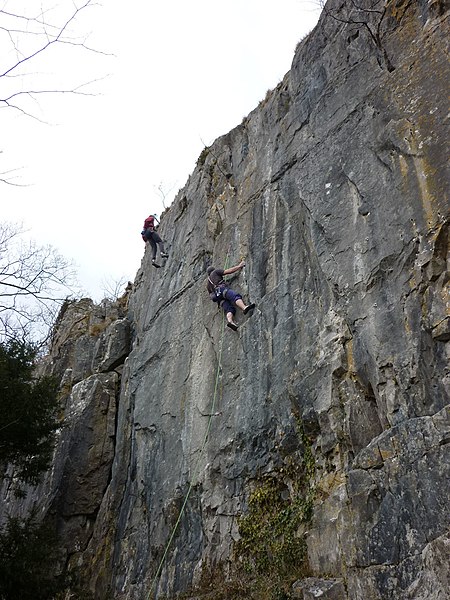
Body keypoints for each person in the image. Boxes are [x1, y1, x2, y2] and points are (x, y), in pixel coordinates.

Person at [206, 261, 256, 331]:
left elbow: (211, 296)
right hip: (222, 290)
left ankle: (230, 321)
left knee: (230, 309)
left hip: (219, 299)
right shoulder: (215, 272)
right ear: (213, 270)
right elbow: (228, 271)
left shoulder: (208, 284)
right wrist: (239, 266)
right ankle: (244, 307)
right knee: (235, 297)